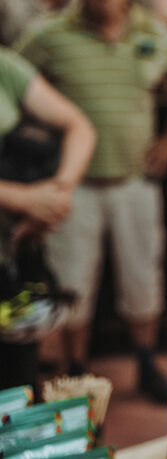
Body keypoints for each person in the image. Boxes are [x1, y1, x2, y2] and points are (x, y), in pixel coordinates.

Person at [14, 0, 167, 400]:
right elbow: (13, 86)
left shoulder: (153, 31)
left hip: (135, 180)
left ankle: (146, 364)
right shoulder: (50, 34)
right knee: (73, 281)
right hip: (75, 186)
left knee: (143, 279)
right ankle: (77, 374)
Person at [0, 47, 95, 390]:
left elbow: (80, 126)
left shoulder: (5, 66)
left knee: (18, 390)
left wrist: (58, 193)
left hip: (11, 259)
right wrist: (25, 199)